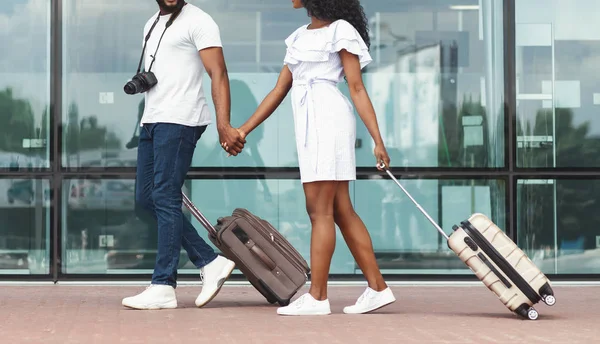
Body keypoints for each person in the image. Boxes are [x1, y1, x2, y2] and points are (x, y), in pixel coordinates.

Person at [233, 0, 396, 316]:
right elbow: (279, 89)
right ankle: (377, 288)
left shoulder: (341, 31)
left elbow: (357, 88)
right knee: (340, 209)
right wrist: (244, 129)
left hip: (328, 118)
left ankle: (318, 297)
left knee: (319, 210)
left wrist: (378, 140)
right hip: (311, 122)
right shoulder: (297, 37)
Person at [122, 0, 246, 310]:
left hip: (180, 119)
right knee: (146, 199)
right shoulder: (151, 24)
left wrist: (223, 124)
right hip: (151, 119)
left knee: (164, 195)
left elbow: (218, 72)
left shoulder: (200, 21)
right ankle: (209, 261)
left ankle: (163, 285)